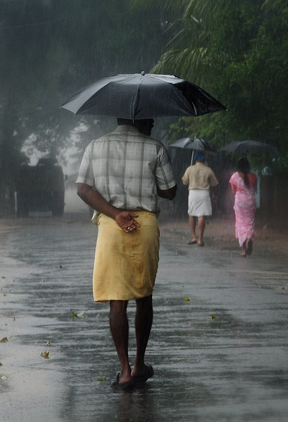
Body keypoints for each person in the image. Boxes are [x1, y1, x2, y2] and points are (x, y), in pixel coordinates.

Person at [76, 118, 177, 390]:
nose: (154, 122)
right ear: (138, 119)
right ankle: (139, 363)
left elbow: (83, 188)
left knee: (117, 301)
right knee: (144, 296)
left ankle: (123, 371)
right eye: (149, 118)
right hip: (144, 224)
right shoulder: (155, 147)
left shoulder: (95, 146)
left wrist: (116, 213)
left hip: (110, 226)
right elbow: (170, 191)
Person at [181, 153, 218, 247]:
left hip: (193, 193)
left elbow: (185, 182)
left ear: (195, 159)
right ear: (203, 160)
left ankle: (193, 237)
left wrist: (185, 178)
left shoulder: (190, 169)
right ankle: (200, 239)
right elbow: (214, 184)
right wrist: (214, 194)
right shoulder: (208, 170)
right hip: (204, 193)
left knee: (192, 214)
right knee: (201, 216)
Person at [229, 157, 257, 256]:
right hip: (250, 201)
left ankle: (244, 250)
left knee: (240, 223)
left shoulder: (234, 177)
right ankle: (249, 238)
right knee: (250, 222)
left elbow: (233, 191)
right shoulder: (253, 176)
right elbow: (255, 189)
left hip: (240, 201)